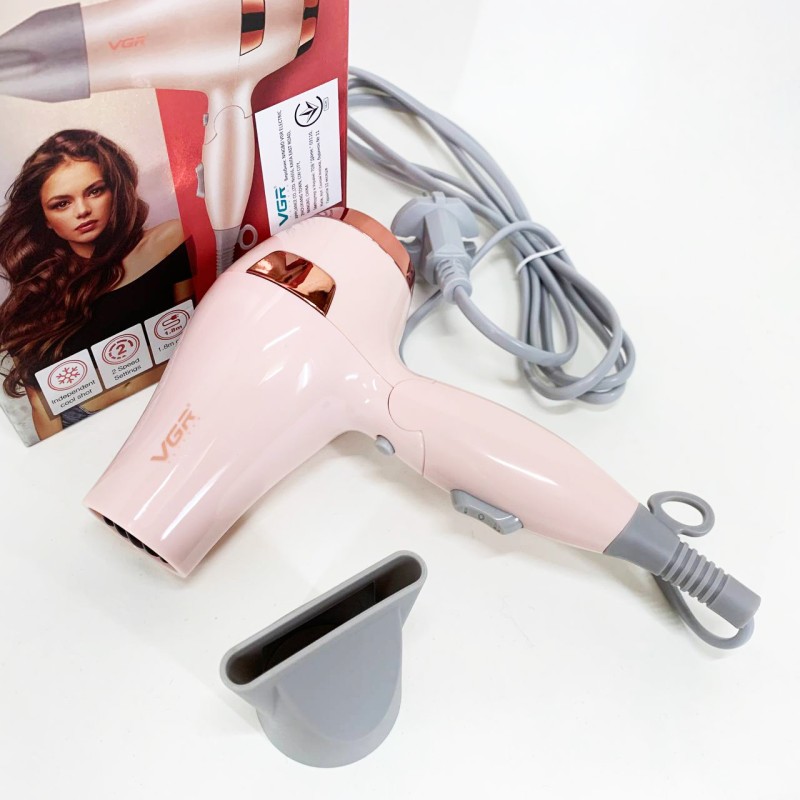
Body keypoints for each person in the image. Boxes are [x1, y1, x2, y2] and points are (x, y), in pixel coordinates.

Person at [0, 129, 192, 440]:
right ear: (45, 218)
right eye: (61, 204)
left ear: (115, 190)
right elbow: (42, 406)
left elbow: (192, 331)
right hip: (86, 424)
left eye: (94, 191)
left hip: (173, 399)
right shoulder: (34, 297)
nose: (82, 211)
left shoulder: (167, 241)